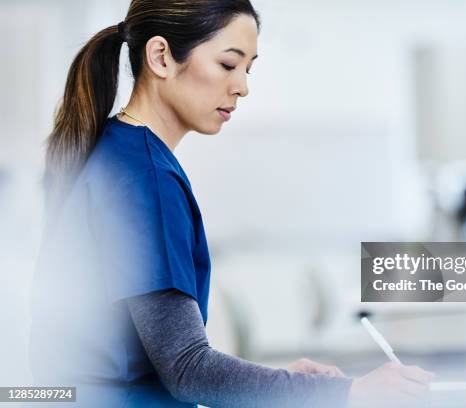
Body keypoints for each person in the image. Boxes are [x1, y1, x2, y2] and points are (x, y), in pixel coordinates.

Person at [29, 1, 434, 406]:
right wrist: (348, 391)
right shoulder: (146, 178)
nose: (242, 86)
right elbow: (188, 369)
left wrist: (282, 382)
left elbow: (156, 359)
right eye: (228, 64)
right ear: (161, 57)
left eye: (248, 69)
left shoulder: (113, 150)